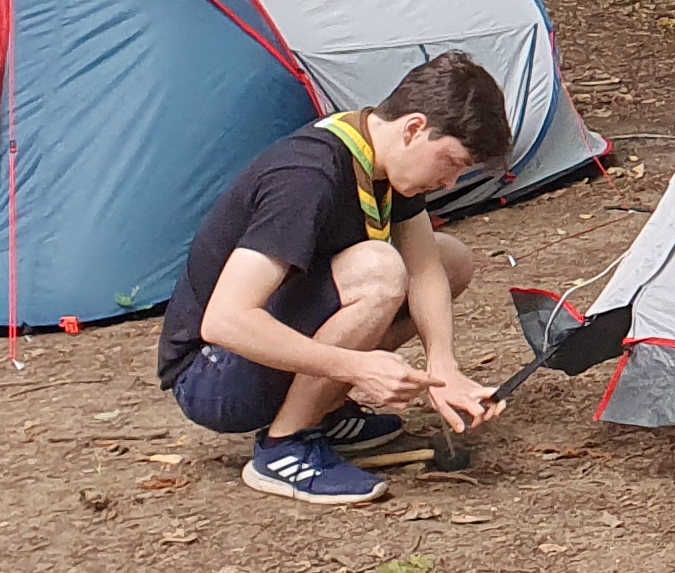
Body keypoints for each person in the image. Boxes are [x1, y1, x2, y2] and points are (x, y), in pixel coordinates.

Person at [157, 52, 510, 504]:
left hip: (259, 354)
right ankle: (285, 447)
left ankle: (325, 409)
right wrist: (356, 367)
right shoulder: (309, 175)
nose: (449, 183)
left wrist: (444, 365)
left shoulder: (381, 160)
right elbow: (225, 321)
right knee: (379, 271)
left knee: (450, 258)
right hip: (212, 377)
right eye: (451, 162)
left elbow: (426, 268)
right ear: (413, 128)